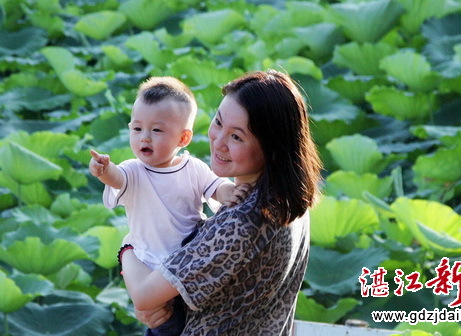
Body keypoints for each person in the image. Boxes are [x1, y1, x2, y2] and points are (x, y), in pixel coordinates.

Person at [119, 69, 323, 335]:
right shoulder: (287, 201)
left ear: (271, 148)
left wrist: (128, 249)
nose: (218, 141)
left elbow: (145, 297)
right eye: (218, 122)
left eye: (236, 136)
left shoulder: (242, 220)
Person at [89, 76, 245, 336]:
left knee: (192, 319)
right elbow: (117, 178)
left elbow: (215, 187)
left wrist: (229, 191)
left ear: (183, 138)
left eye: (157, 130)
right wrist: (103, 170)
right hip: (150, 267)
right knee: (165, 325)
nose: (144, 138)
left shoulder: (193, 168)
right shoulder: (133, 171)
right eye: (137, 129)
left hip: (187, 264)